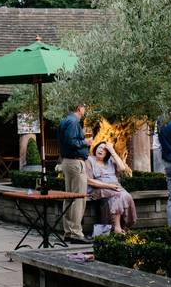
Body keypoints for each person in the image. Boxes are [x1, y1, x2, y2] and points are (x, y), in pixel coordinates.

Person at [85, 142, 137, 234]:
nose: (101, 150)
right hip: (99, 188)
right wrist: (109, 186)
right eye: (99, 147)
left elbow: (122, 168)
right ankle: (117, 227)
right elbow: (89, 180)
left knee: (126, 196)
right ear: (95, 149)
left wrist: (112, 151)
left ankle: (124, 226)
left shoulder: (110, 160)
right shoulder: (89, 160)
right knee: (119, 195)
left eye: (105, 149)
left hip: (115, 187)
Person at [57, 104, 91, 244]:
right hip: (76, 163)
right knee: (78, 198)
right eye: (85, 107)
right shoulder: (73, 121)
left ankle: (69, 232)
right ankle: (76, 233)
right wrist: (86, 141)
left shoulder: (65, 120)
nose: (86, 110)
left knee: (69, 197)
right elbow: (71, 142)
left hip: (68, 162)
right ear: (79, 108)